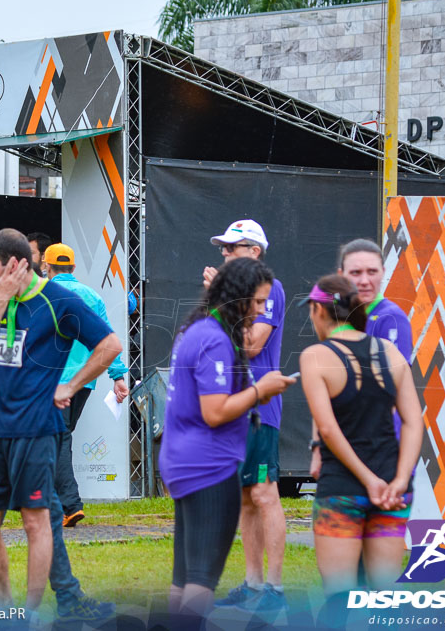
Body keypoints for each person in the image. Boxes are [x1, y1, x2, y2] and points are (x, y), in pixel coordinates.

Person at [0, 228, 123, 620]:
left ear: (16, 264)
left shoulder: (60, 300)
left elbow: (110, 346)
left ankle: (31, 613)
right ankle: (6, 609)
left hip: (37, 430)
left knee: (38, 522)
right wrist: (0, 297)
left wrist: (71, 383)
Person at [159, 257, 294, 618]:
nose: (264, 311)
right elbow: (215, 411)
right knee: (201, 578)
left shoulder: (197, 328)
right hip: (207, 467)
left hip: (184, 462)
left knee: (183, 574)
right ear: (240, 297)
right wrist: (260, 390)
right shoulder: (215, 338)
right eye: (260, 302)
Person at [299, 274, 422, 600]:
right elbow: (413, 422)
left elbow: (327, 429)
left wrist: (368, 481)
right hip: (392, 490)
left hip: (343, 490)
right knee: (383, 597)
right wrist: (397, 480)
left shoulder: (315, 356)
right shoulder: (390, 353)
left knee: (340, 599)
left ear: (318, 310)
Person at [201, 220, 289, 612]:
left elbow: (252, 345)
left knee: (264, 493)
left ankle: (275, 588)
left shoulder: (269, 289)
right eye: (223, 247)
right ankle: (253, 585)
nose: (223, 253)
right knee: (243, 498)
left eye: (232, 248)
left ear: (254, 252)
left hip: (259, 408)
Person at [42, 242, 129, 528]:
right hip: (85, 382)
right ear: (74, 267)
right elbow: (106, 339)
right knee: (60, 438)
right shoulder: (92, 296)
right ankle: (54, 503)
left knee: (57, 439)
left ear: (46, 266)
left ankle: (69, 505)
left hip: (54, 380)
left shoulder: (45, 294)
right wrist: (117, 376)